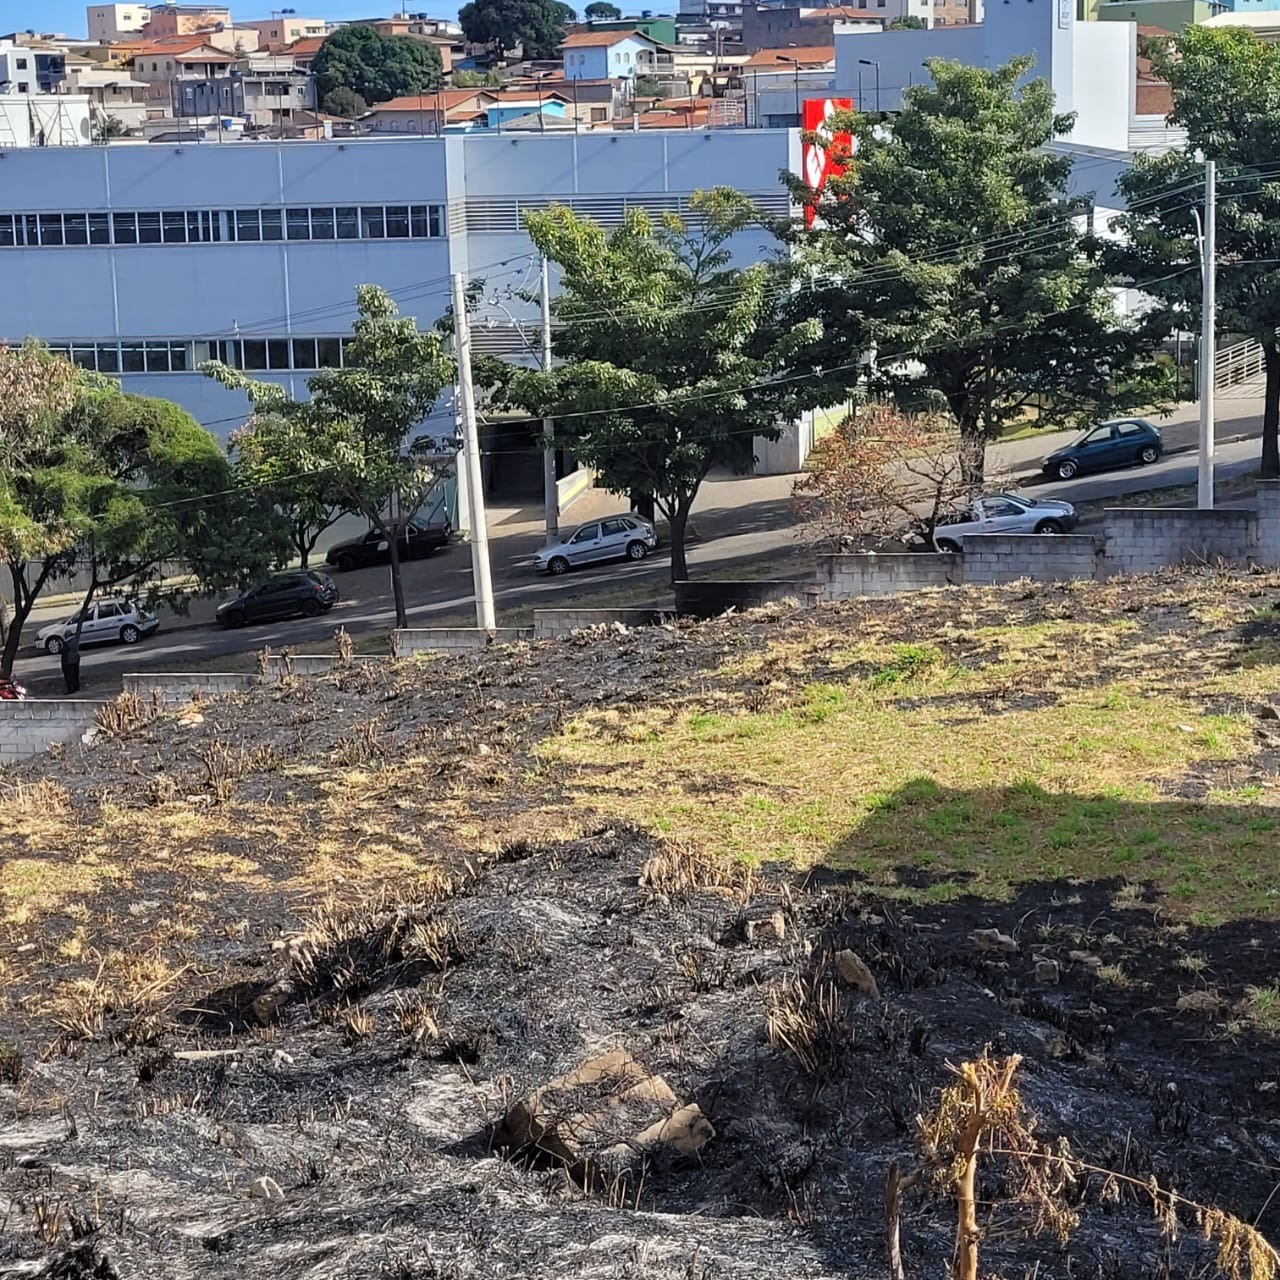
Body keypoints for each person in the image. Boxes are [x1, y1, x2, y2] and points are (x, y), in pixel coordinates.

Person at [60, 631, 81, 695]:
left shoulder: (66, 643)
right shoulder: (75, 640)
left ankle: (71, 689)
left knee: (69, 676)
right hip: (76, 658)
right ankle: (76, 687)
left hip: (68, 660)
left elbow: (63, 651)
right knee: (75, 674)